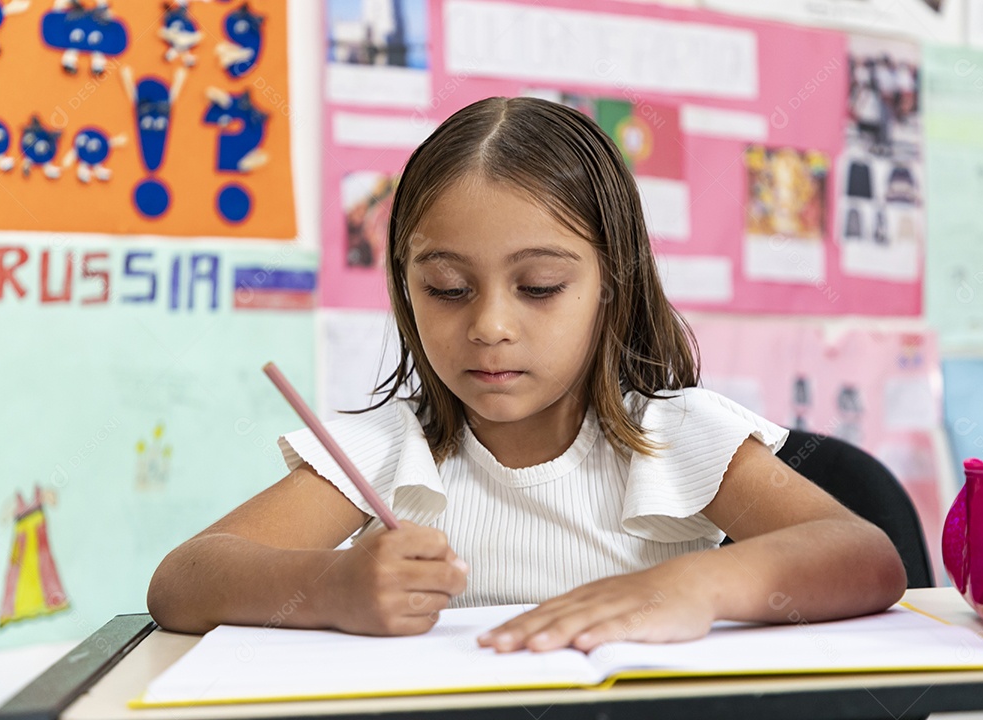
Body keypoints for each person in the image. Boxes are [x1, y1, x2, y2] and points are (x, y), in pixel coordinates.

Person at [147, 96, 906, 653]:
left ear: (612, 284)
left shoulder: (676, 436)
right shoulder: (387, 448)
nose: (489, 325)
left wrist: (694, 586)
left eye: (540, 286)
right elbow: (183, 581)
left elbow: (866, 556)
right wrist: (334, 588)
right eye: (447, 288)